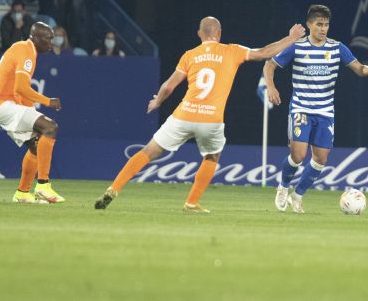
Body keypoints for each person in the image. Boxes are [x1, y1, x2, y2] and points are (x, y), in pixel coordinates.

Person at [94, 18, 306, 212]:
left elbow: (169, 86)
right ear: (219, 33)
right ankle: (191, 202)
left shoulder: (190, 55)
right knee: (212, 156)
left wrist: (158, 101)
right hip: (211, 120)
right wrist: (291, 38)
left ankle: (114, 188)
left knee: (149, 151)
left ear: (199, 34)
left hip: (183, 115)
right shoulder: (231, 51)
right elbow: (264, 53)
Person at [264, 5, 368, 214]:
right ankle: (283, 186)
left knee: (321, 159)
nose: (323, 29)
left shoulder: (337, 48)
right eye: (319, 24)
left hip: (325, 111)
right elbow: (269, 65)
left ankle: (298, 195)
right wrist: (271, 87)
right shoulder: (297, 47)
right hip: (301, 108)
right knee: (299, 155)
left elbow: (359, 69)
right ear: (309, 24)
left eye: (326, 24)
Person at [0, 22, 64, 203]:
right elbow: (21, 87)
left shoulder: (25, 49)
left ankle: (22, 193)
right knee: (50, 127)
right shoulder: (27, 52)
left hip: (5, 103)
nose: (51, 43)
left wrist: (30, 109)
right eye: (48, 38)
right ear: (35, 38)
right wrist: (48, 101)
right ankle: (43, 185)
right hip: (2, 104)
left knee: (37, 144)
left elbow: (18, 88)